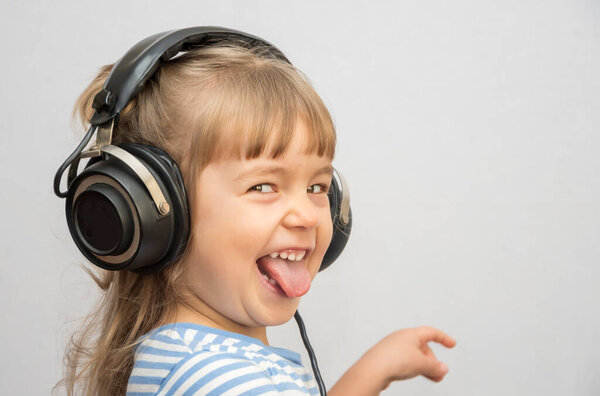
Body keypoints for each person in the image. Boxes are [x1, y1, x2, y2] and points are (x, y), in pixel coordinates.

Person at [57, 28, 456, 396]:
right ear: (156, 213)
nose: (306, 215)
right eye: (262, 185)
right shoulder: (216, 377)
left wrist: (371, 371)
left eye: (317, 186)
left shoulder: (196, 360)